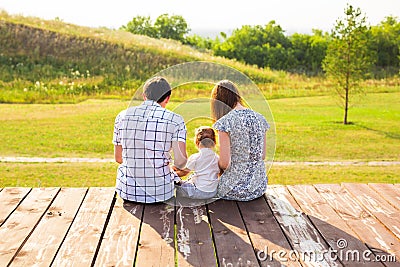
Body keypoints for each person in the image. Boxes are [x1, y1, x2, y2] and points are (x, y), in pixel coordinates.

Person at [113, 76, 187, 203]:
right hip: (161, 194)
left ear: (144, 96)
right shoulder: (175, 120)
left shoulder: (122, 116)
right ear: (167, 98)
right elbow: (180, 163)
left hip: (127, 191)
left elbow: (118, 158)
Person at [211, 80, 269, 201]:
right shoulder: (260, 118)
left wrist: (213, 162)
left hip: (234, 189)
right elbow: (262, 155)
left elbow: (225, 164)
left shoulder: (225, 122)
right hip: (258, 187)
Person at [174, 126, 220, 200]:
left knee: (179, 184)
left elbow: (184, 173)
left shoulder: (195, 157)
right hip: (212, 192)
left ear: (197, 142)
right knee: (192, 177)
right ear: (214, 142)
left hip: (198, 192)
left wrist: (173, 174)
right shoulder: (217, 157)